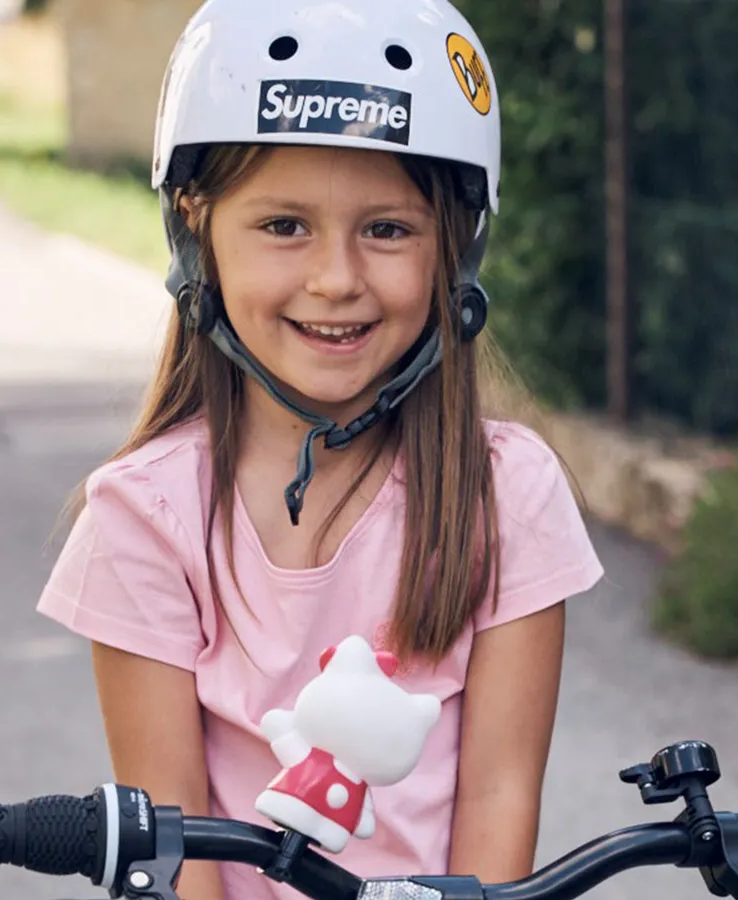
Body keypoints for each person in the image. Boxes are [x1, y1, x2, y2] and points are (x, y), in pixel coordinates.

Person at [35, 1, 606, 898]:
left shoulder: (505, 493)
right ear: (197, 231)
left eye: (387, 229)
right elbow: (169, 838)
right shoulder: (142, 516)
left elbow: (500, 796)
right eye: (284, 226)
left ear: (454, 248)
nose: (336, 279)